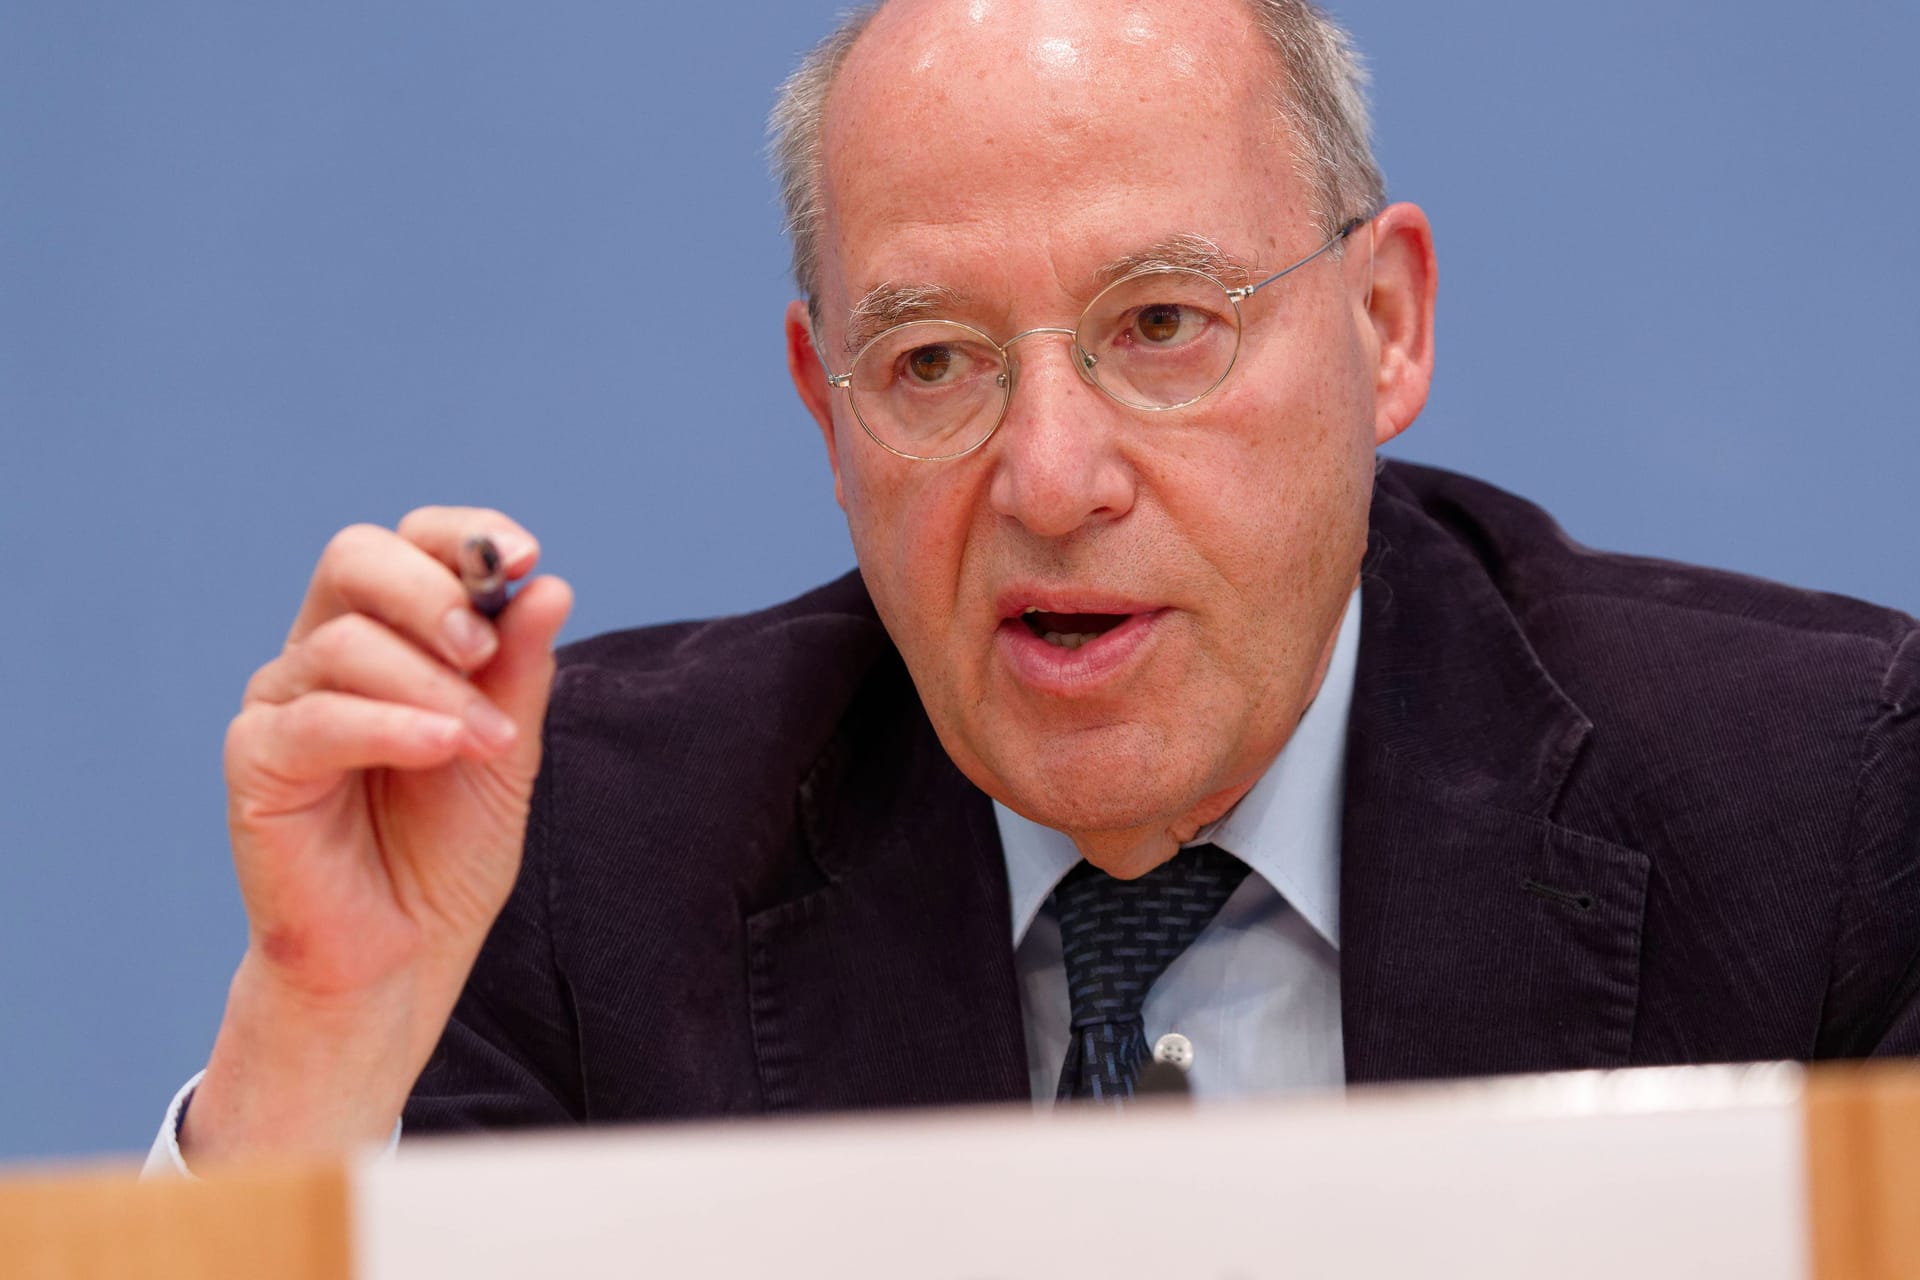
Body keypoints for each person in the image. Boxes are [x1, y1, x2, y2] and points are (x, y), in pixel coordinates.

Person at [151, 0, 1920, 1172]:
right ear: (822, 406)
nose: (1052, 480)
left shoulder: (1823, 799)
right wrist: (317, 1056)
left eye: (1165, 327)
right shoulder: (577, 848)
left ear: (1385, 328)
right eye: (931, 361)